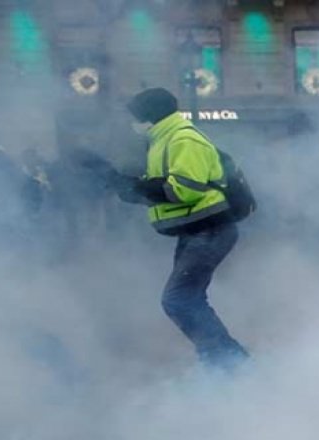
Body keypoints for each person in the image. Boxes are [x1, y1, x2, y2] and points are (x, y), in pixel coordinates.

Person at [89, 88, 247, 370]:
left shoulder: (182, 139)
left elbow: (183, 190)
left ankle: (230, 361)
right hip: (196, 230)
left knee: (178, 299)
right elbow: (160, 190)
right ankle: (219, 358)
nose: (132, 123)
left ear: (149, 115)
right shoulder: (164, 139)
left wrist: (132, 185)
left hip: (209, 229)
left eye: (135, 116)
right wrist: (119, 183)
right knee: (188, 298)